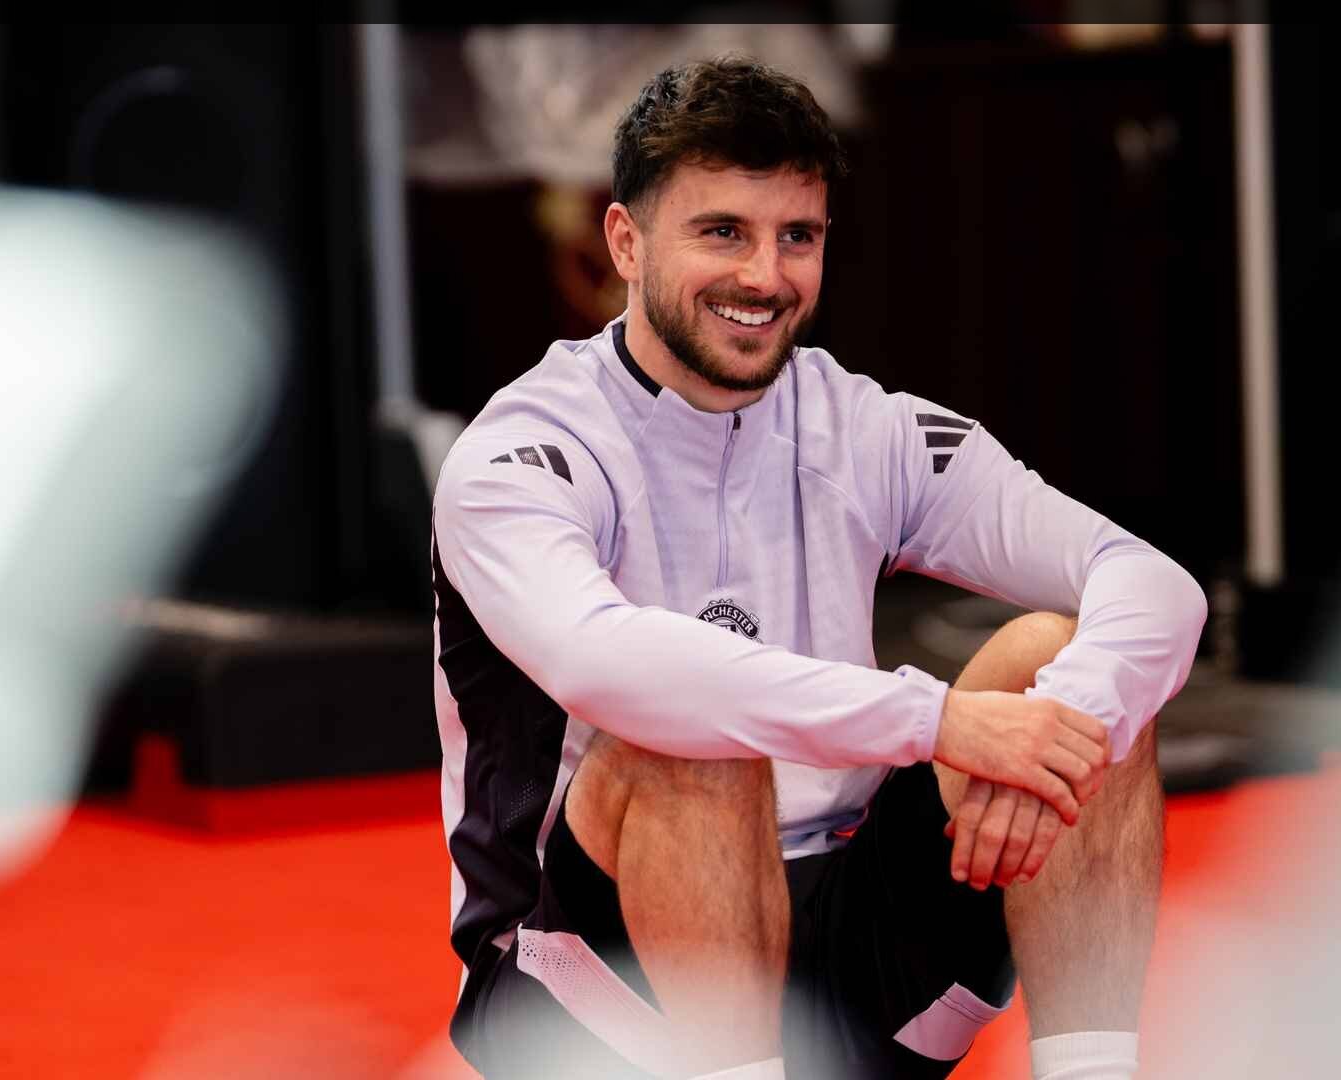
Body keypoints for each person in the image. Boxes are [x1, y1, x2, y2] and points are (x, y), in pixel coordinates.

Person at [431, 55, 1205, 1080]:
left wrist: (1068, 723)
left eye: (796, 236)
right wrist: (937, 721)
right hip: (583, 985)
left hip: (851, 953)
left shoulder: (862, 426)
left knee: (1063, 666)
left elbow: (1150, 581)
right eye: (723, 232)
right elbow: (603, 662)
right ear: (625, 241)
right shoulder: (521, 452)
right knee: (692, 729)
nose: (765, 276)